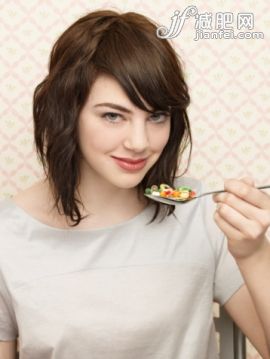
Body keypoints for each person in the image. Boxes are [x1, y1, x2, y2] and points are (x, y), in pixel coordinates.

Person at [0, 9, 269, 359]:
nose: (140, 142)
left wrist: (254, 253)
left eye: (156, 116)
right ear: (65, 112)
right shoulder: (7, 239)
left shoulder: (201, 214)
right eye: (113, 116)